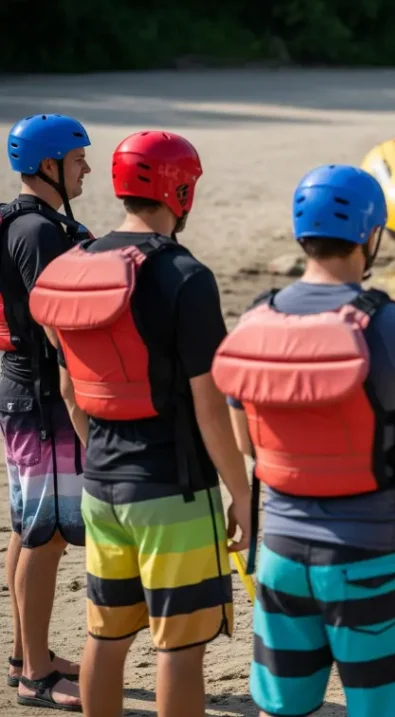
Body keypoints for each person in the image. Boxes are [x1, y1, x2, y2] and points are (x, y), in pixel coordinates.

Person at [28, 130, 251, 717]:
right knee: (180, 645)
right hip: (173, 492)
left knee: (107, 634)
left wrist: (104, 460)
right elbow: (210, 404)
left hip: (102, 485)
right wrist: (243, 493)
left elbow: (71, 391)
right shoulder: (186, 276)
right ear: (181, 189)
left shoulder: (73, 266)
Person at [212, 164, 395, 717]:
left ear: (301, 234)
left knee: (285, 709)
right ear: (372, 236)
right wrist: (367, 472)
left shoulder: (254, 320)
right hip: (370, 556)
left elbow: (246, 442)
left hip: (279, 558)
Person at [1, 113, 92, 712]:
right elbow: (59, 323)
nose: (88, 166)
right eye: (79, 158)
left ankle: (22, 656)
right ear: (51, 166)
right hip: (41, 399)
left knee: (27, 530)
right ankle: (36, 673)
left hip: (23, 392)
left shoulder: (45, 223)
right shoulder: (37, 233)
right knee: (46, 535)